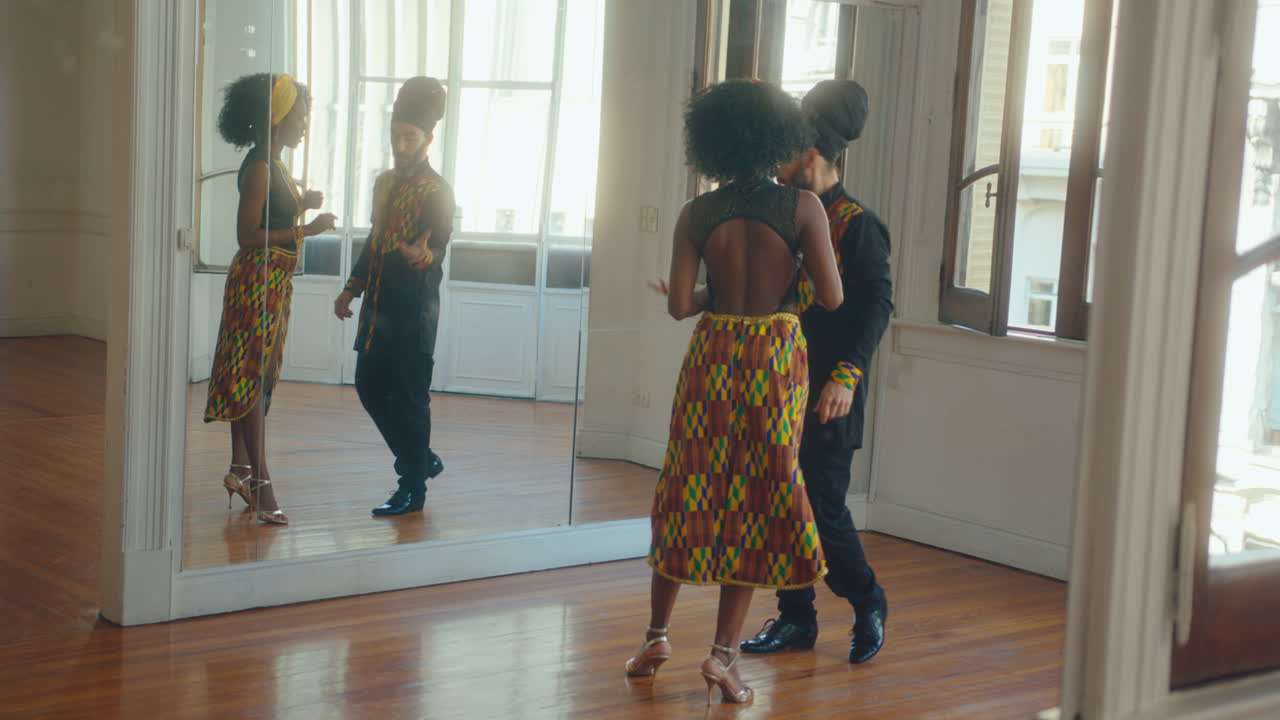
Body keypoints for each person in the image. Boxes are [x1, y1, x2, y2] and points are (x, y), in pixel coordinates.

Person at [624, 79, 843, 706]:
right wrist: (796, 273)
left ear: (715, 142)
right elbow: (831, 298)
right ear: (777, 137)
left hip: (713, 354)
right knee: (756, 496)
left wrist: (710, 296)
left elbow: (676, 308)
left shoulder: (698, 213)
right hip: (773, 358)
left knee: (688, 484)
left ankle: (656, 637)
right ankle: (723, 656)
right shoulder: (804, 208)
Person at [739, 79, 893, 664]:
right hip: (777, 384)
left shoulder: (859, 225)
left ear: (809, 155)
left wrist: (846, 377)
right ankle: (796, 619)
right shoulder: (784, 214)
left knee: (821, 508)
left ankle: (868, 601)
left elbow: (875, 307)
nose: (775, 168)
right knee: (778, 502)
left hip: (830, 391)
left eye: (783, 155)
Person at [205, 73, 338, 525]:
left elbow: (270, 214)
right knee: (253, 379)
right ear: (278, 116)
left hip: (272, 281)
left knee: (255, 377)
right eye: (300, 114)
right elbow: (247, 235)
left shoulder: (274, 164)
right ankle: (261, 485)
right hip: (257, 282)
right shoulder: (262, 166)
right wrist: (307, 228)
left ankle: (241, 469)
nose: (304, 123)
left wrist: (300, 205)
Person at [334, 77, 454, 517]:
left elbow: (439, 247)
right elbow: (374, 240)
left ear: (428, 138)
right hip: (377, 309)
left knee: (408, 397)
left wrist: (424, 255)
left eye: (410, 137)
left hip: (414, 313)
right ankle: (421, 460)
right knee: (367, 386)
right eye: (395, 136)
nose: (401, 145)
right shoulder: (384, 183)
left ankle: (412, 488)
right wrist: (351, 288)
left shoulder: (437, 191)